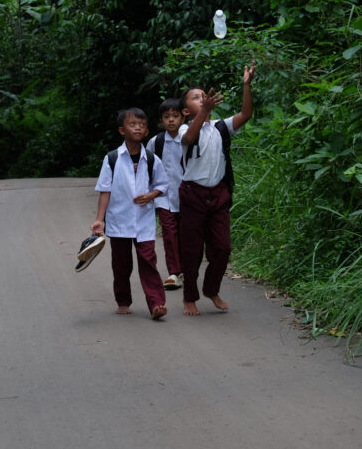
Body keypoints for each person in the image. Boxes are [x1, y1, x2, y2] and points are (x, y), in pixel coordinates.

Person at [178, 61, 256, 316]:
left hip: (218, 194)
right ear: (186, 111)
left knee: (222, 248)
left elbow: (245, 115)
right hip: (193, 195)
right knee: (191, 249)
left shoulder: (221, 127)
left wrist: (247, 85)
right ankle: (190, 297)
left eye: (204, 96)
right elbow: (189, 139)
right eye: (196, 98)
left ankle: (212, 289)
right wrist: (204, 113)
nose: (202, 99)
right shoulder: (184, 128)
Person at [91, 107, 170, 319]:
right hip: (119, 221)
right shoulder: (112, 159)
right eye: (132, 124)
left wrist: (151, 195)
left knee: (148, 261)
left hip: (144, 221)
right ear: (122, 130)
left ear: (146, 132)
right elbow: (104, 190)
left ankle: (157, 304)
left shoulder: (152, 159)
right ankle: (123, 300)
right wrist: (100, 220)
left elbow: (163, 184)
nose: (138, 128)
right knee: (121, 264)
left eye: (142, 125)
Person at [146, 98, 185, 290]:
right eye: (167, 117)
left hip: (186, 197)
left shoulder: (189, 139)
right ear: (161, 120)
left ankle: (186, 269)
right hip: (163, 198)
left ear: (183, 117)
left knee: (186, 235)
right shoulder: (156, 142)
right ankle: (174, 272)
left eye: (175, 116)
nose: (171, 120)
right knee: (169, 234)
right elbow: (147, 167)